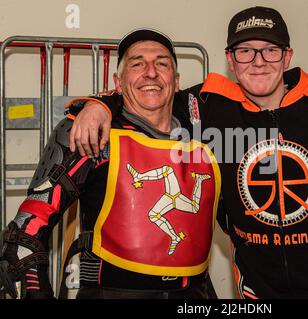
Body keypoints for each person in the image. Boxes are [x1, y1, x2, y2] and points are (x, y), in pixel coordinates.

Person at [61, 6, 308, 299]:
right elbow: (145, 91)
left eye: (270, 51)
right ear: (230, 59)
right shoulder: (205, 107)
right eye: (245, 51)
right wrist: (98, 104)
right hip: (256, 297)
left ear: (288, 55)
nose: (258, 62)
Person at [0, 29, 222, 299]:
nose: (151, 72)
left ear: (176, 82)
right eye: (137, 64)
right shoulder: (93, 133)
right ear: (118, 82)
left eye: (162, 63)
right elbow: (26, 231)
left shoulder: (206, 134)